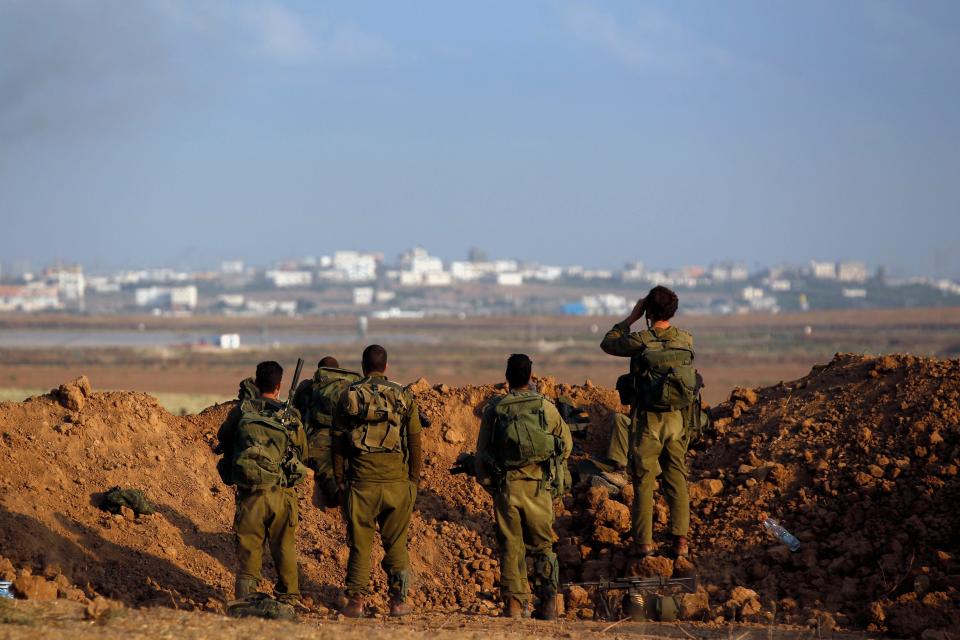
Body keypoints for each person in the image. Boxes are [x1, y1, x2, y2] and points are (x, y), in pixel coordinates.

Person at [474, 354, 572, 620]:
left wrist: (491, 486)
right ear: (531, 377)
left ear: (507, 377)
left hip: (508, 488)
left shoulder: (496, 409)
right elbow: (566, 445)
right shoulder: (545, 406)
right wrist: (551, 473)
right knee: (543, 547)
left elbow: (481, 455)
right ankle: (549, 603)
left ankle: (515, 606)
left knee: (511, 546)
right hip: (539, 487)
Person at [600, 285, 694, 558]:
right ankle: (680, 541)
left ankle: (644, 543)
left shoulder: (641, 340)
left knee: (643, 480)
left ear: (648, 311)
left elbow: (608, 343)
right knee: (676, 479)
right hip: (677, 420)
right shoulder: (686, 340)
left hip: (648, 421)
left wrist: (630, 318)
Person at [332, 344, 423, 618]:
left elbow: (336, 443)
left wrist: (339, 479)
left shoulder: (349, 396)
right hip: (397, 484)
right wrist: (413, 481)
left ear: (362, 366)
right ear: (386, 367)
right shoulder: (403, 396)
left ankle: (356, 602)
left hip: (361, 483)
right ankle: (398, 602)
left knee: (360, 544)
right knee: (396, 543)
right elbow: (415, 442)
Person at [216, 361, 309, 604]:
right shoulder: (289, 416)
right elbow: (303, 452)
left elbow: (223, 438)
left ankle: (245, 601)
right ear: (279, 386)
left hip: (250, 493)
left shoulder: (243, 411)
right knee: (284, 547)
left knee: (249, 549)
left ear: (256, 384)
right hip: (281, 493)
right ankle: (289, 599)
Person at [293, 356, 361, 506]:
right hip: (349, 433)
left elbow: (295, 411)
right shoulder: (352, 386)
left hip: (321, 435)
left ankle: (337, 494)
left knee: (324, 464)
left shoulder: (309, 386)